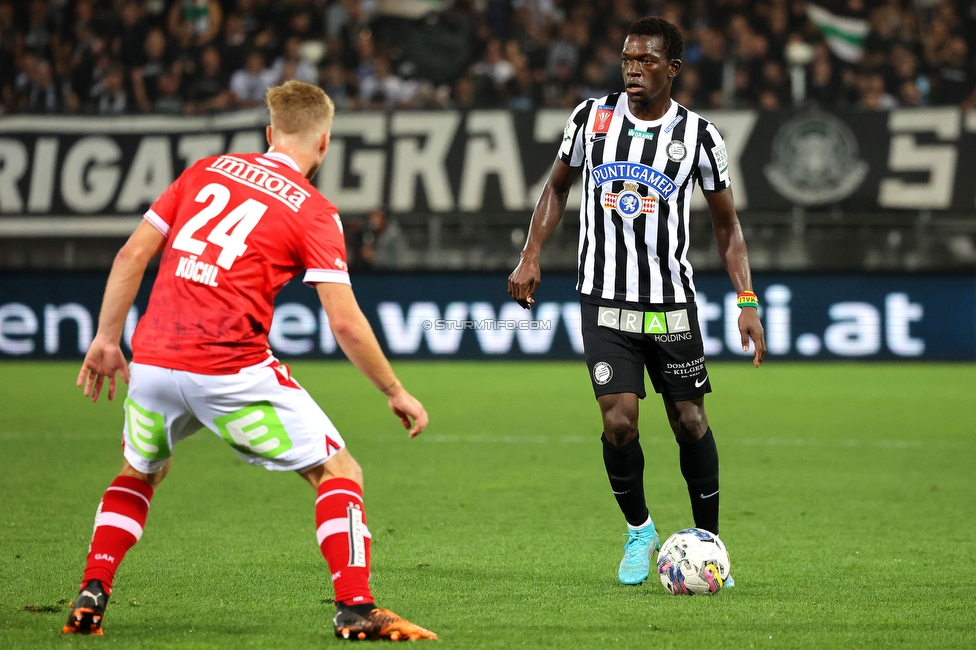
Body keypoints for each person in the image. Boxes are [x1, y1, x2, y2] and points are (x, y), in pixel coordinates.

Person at [63, 80, 437, 642]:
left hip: (154, 361)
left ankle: (93, 589)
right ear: (325, 144)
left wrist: (106, 338)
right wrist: (392, 390)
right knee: (338, 471)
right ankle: (355, 607)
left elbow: (131, 254)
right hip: (227, 372)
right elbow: (344, 322)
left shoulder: (205, 170)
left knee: (141, 472)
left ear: (269, 133)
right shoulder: (314, 211)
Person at [508, 16, 765, 587]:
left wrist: (746, 298)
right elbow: (556, 186)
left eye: (647, 60)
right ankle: (639, 529)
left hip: (671, 304)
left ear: (671, 69)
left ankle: (710, 543)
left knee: (690, 420)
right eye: (627, 58)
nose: (633, 68)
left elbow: (728, 226)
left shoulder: (700, 136)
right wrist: (531, 254)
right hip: (604, 301)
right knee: (619, 421)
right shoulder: (590, 119)